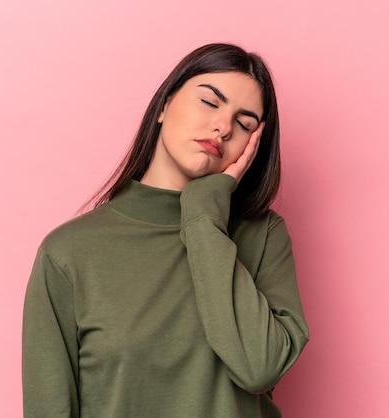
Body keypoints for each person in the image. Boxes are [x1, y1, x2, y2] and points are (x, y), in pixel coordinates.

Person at [22, 43, 309, 418]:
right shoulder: (69, 252)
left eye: (244, 124)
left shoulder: (263, 236)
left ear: (252, 147)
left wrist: (203, 214)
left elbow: (259, 368)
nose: (223, 127)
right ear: (163, 106)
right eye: (210, 102)